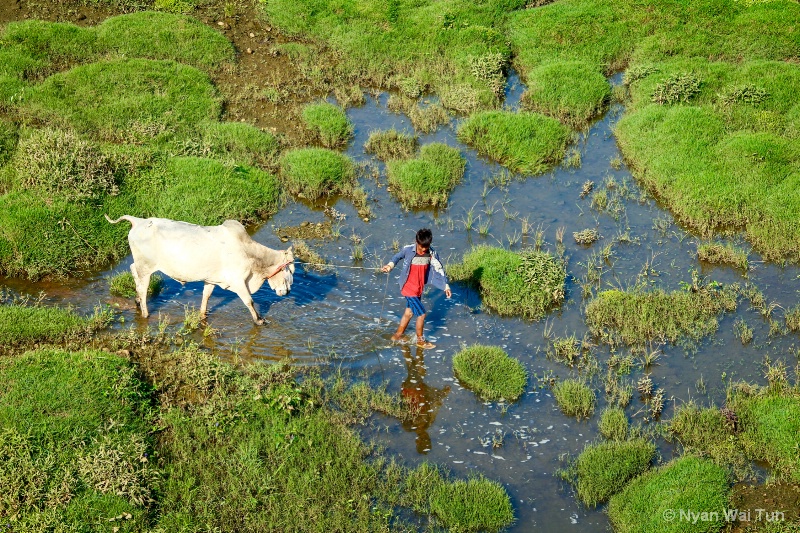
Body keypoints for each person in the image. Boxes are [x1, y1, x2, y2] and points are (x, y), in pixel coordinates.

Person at [381, 228, 451, 349]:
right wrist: (389, 266)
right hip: (408, 288)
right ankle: (420, 341)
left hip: (419, 288)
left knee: (408, 313)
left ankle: (397, 336)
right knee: (422, 314)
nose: (424, 249)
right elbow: (397, 257)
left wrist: (445, 286)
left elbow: (439, 269)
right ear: (416, 242)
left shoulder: (431, 253)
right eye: (421, 247)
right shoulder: (408, 250)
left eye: (426, 246)